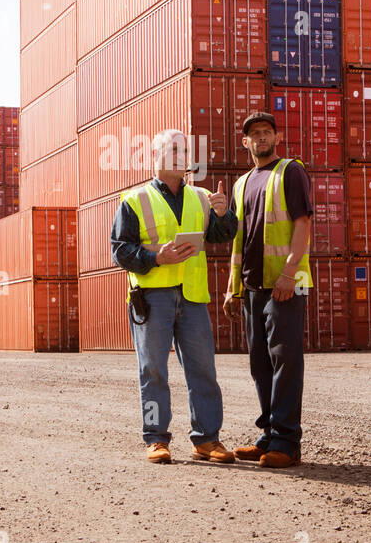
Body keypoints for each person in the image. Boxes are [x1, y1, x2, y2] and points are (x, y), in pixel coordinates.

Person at [110, 128, 238, 464]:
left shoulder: (201, 197)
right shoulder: (134, 200)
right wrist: (155, 258)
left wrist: (224, 214)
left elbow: (222, 235)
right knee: (153, 369)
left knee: (203, 370)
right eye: (174, 149)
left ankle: (207, 439)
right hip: (152, 297)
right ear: (155, 156)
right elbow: (120, 250)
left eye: (186, 149)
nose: (183, 155)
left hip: (193, 297)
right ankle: (155, 438)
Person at [222, 111, 313, 469]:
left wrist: (289, 273)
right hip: (253, 287)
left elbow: (303, 223)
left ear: (276, 137)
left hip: (285, 285)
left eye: (266, 132)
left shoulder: (290, 171)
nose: (260, 138)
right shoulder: (242, 183)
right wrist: (234, 289)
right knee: (260, 364)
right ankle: (269, 433)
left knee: (285, 363)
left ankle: (287, 442)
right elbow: (238, 242)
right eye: (254, 134)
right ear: (244, 142)